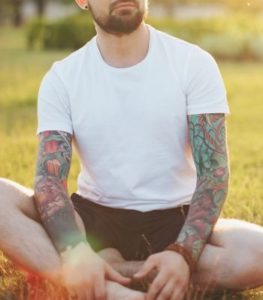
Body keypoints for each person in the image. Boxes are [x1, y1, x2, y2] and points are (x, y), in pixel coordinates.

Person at [0, 0, 263, 299]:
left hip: (175, 221)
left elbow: (214, 174)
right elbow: (49, 181)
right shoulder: (63, 78)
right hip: (94, 223)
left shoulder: (193, 62)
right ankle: (113, 284)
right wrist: (76, 249)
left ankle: (110, 273)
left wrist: (183, 253)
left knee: (258, 253)